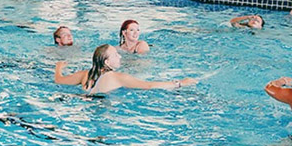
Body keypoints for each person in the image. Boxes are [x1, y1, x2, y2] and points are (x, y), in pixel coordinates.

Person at [54, 44, 196, 95]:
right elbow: (149, 86)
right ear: (107, 62)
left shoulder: (85, 74)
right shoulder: (116, 77)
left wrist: (58, 67)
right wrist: (180, 83)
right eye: (116, 55)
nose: (120, 56)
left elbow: (58, 80)